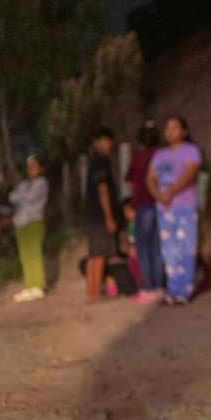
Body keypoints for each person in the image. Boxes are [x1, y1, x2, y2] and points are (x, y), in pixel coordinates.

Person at [146, 116, 202, 305]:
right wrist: (158, 194)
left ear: (184, 131)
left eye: (175, 128)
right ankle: (172, 289)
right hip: (164, 208)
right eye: (168, 128)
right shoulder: (159, 155)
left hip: (184, 205)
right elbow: (150, 178)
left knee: (186, 246)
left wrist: (172, 190)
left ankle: (184, 291)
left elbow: (190, 173)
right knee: (169, 250)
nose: (171, 131)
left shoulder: (191, 151)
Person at [123, 120, 164, 302]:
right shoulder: (162, 156)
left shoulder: (137, 157)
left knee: (143, 247)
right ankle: (160, 286)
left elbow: (129, 180)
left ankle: (148, 288)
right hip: (161, 203)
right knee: (157, 246)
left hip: (143, 204)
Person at [84, 127, 122, 303]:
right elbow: (103, 189)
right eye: (107, 141)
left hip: (91, 215)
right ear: (98, 142)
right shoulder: (100, 162)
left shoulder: (93, 162)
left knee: (93, 254)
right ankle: (95, 292)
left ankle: (91, 290)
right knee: (99, 254)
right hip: (99, 215)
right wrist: (108, 216)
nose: (110, 145)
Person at [9, 154, 48, 302]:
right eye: (29, 167)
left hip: (34, 221)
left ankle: (38, 285)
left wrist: (20, 196)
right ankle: (30, 285)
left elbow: (29, 198)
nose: (31, 169)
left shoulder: (41, 183)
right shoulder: (25, 183)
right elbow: (12, 197)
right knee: (25, 255)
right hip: (21, 223)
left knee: (35, 253)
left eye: (34, 166)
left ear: (40, 168)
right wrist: (21, 195)